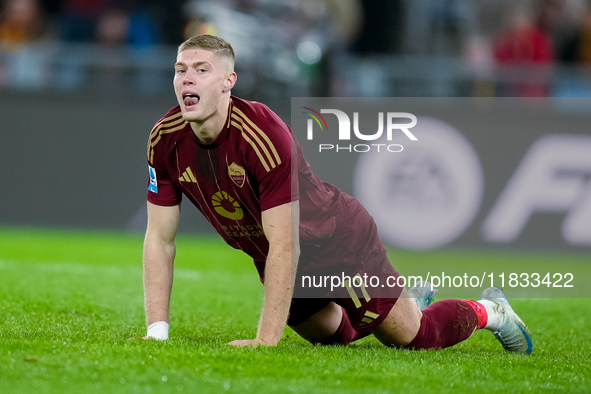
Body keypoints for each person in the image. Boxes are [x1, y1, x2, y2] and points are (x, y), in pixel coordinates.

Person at [142, 34, 533, 353]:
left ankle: (489, 311)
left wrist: (265, 340)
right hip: (281, 260)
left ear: (229, 82)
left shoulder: (263, 136)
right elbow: (160, 239)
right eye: (180, 70)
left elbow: (285, 243)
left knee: (414, 338)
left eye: (201, 69)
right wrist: (157, 333)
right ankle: (407, 298)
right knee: (336, 339)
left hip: (337, 245)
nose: (186, 79)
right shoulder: (164, 140)